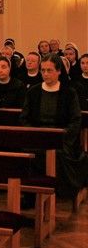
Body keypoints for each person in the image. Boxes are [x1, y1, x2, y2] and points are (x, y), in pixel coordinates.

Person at [20, 54, 88, 199]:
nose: (45, 74)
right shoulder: (33, 92)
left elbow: (75, 120)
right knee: (29, 155)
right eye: (43, 70)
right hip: (37, 139)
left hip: (62, 140)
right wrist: (35, 135)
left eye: (49, 70)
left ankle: (57, 193)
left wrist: (61, 137)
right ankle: (32, 194)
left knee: (57, 154)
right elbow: (24, 118)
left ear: (58, 71)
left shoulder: (69, 92)